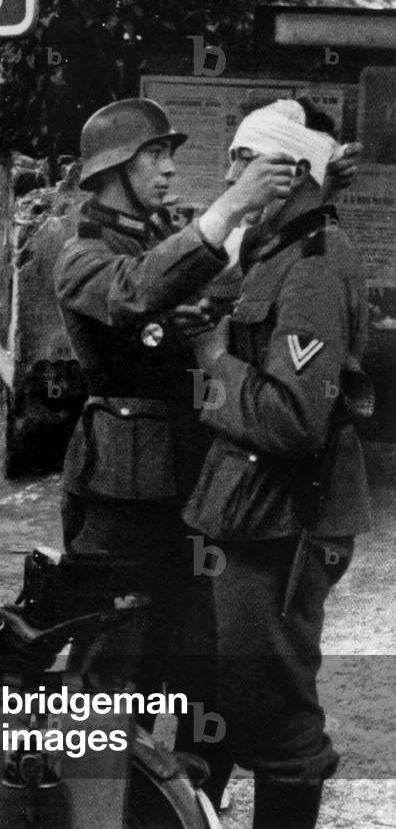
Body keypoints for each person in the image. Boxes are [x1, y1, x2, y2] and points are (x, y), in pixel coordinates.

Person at [53, 98, 297, 695]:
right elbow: (132, 292)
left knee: (188, 649)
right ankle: (95, 786)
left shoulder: (158, 232)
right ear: (112, 168)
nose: (168, 169)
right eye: (154, 155)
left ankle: (174, 787)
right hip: (121, 487)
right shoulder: (78, 249)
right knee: (110, 653)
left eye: (168, 155)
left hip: (189, 477)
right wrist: (234, 202)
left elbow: (211, 269)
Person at [181, 99, 371, 829]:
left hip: (284, 523)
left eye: (242, 158)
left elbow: (293, 420)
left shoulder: (318, 268)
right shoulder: (277, 246)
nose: (228, 173)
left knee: (278, 714)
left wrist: (212, 359)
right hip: (247, 512)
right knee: (216, 697)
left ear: (288, 173)